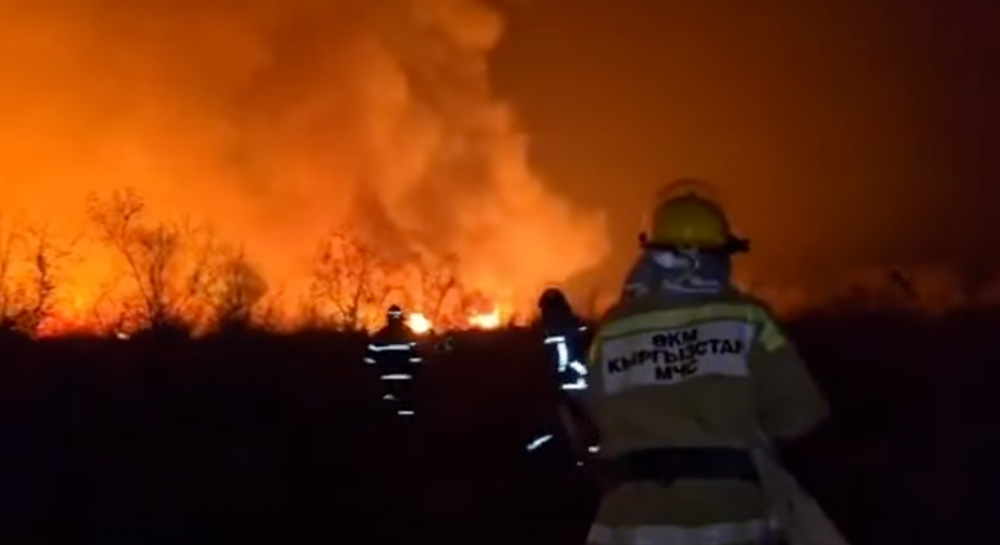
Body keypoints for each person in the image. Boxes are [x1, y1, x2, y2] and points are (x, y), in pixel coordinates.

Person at [567, 179, 832, 545]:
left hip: (628, 524)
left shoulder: (613, 329)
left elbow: (593, 416)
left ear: (652, 254)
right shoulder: (747, 319)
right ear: (719, 254)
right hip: (728, 520)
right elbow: (800, 415)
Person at [365, 305, 423, 418]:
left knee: (387, 407)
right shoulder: (409, 335)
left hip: (386, 379)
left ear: (388, 318)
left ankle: (388, 427)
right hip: (405, 379)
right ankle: (406, 428)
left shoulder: (380, 336)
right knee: (406, 406)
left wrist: (374, 374)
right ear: (401, 318)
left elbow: (369, 360)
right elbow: (417, 358)